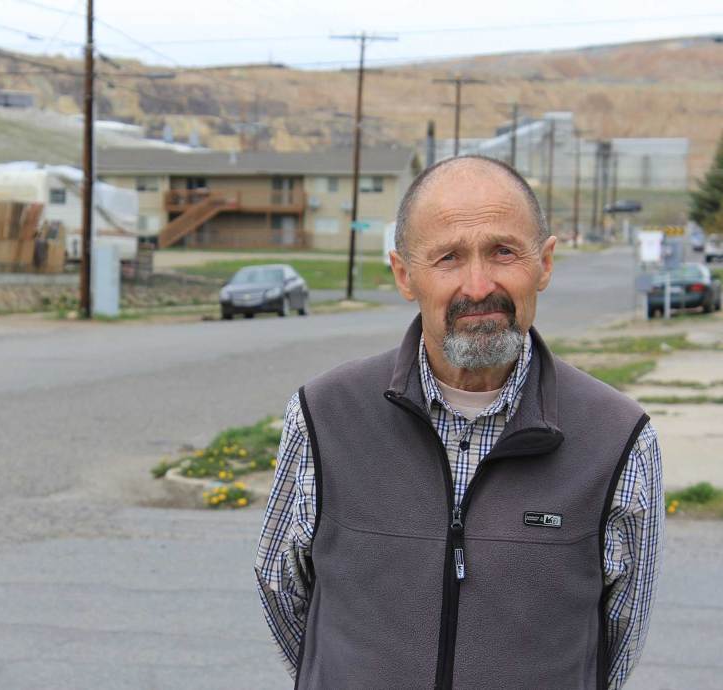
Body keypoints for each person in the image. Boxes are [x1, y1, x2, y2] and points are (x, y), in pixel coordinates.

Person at [254, 156, 663, 690]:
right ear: (405, 275)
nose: (477, 285)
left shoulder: (618, 438)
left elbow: (616, 641)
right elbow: (285, 598)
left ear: (544, 263)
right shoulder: (323, 415)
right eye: (448, 257)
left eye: (503, 251)